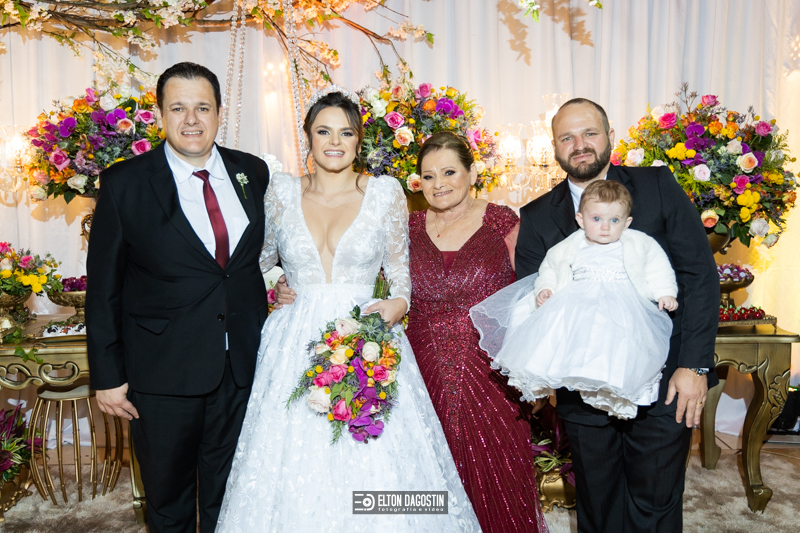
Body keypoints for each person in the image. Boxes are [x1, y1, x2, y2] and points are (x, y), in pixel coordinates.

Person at [216, 87, 480, 532]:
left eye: (345, 132)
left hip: (366, 335)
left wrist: (397, 305)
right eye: (323, 131)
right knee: (289, 458)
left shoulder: (384, 193)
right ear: (308, 137)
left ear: (359, 140)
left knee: (379, 459)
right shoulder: (281, 191)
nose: (334, 142)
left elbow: (400, 273)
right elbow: (255, 263)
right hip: (293, 343)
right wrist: (275, 283)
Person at [514, 98, 719, 532]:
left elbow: (699, 275)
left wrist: (694, 365)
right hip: (582, 386)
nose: (580, 145)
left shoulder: (657, 185)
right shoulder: (536, 216)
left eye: (590, 133)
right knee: (598, 502)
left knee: (656, 499)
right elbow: (534, 299)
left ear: (610, 136)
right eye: (567, 137)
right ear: (554, 147)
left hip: (665, 379)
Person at [86, 62, 271, 532]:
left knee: (232, 498)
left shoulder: (252, 171)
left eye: (202, 107)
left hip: (241, 367)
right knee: (169, 502)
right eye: (178, 108)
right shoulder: (125, 183)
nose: (191, 119)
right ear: (160, 115)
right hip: (162, 372)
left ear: (219, 112)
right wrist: (107, 376)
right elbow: (103, 287)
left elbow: (254, 260)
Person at [405, 131, 551, 533]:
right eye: (428, 176)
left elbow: (537, 293)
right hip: (420, 368)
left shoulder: (504, 223)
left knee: (496, 470)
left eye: (449, 172)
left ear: (472, 173)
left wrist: (536, 370)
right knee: (428, 471)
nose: (439, 184)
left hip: (490, 370)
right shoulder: (407, 228)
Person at [473, 180, 678, 420]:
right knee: (572, 343)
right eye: (596, 219)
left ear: (627, 222)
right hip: (580, 304)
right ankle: (578, 376)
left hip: (623, 306)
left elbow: (656, 266)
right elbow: (551, 266)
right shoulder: (573, 243)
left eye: (614, 220)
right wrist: (546, 288)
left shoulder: (638, 241)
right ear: (581, 220)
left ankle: (616, 391)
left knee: (623, 349)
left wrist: (665, 291)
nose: (605, 227)